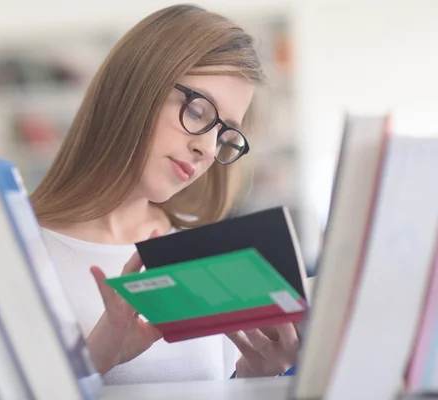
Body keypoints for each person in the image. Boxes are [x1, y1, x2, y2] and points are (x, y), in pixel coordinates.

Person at [29, 3, 300, 385]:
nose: (207, 148)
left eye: (224, 134)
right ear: (136, 87)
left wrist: (252, 380)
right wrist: (91, 363)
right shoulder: (17, 249)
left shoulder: (203, 255)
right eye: (199, 110)